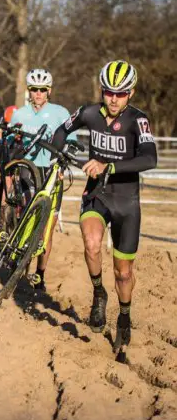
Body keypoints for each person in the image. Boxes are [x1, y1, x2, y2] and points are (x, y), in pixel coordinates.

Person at [51, 61, 157, 349]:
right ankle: (99, 293)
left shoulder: (138, 120)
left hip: (127, 201)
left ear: (131, 93)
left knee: (123, 273)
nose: (113, 98)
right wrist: (57, 158)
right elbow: (61, 131)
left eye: (120, 93)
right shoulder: (88, 112)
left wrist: (109, 165)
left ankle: (124, 316)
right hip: (97, 194)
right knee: (92, 244)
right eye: (109, 92)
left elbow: (150, 158)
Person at [9, 69, 76, 292]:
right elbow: (11, 139)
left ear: (49, 91)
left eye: (42, 90)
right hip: (28, 169)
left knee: (48, 225)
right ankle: (20, 263)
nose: (38, 94)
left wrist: (62, 164)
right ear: (29, 91)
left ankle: (40, 274)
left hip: (51, 169)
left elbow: (71, 140)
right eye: (34, 90)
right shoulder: (19, 114)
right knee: (25, 216)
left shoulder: (60, 112)